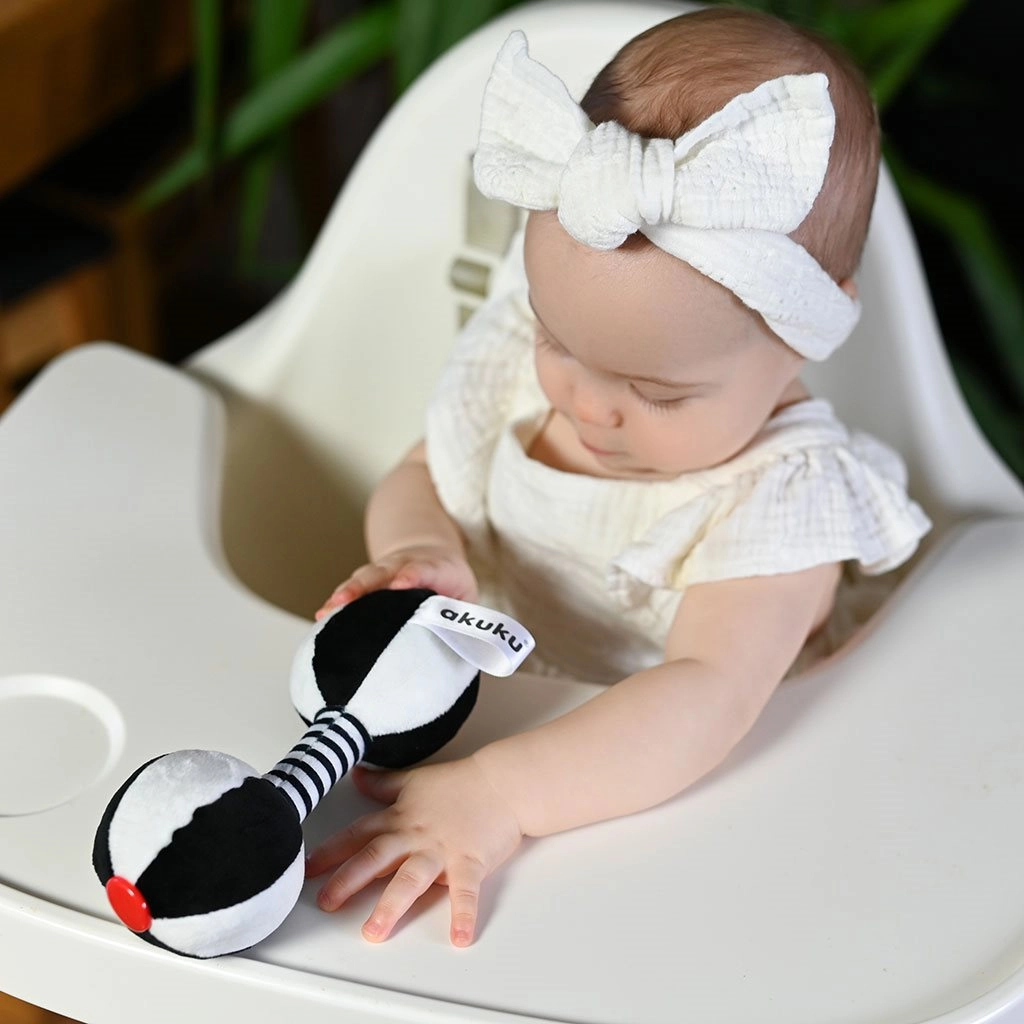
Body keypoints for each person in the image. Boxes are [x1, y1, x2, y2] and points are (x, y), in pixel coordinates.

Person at [305, 7, 931, 947]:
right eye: (559, 342)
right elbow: (423, 469)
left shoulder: (785, 500)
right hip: (484, 727)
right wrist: (421, 547)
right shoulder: (520, 362)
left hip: (669, 813)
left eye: (657, 392)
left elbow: (706, 696)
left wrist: (498, 794)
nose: (587, 406)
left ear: (806, 334)